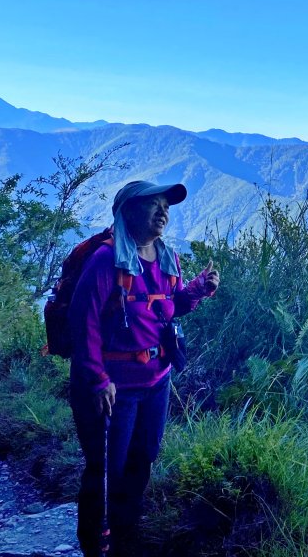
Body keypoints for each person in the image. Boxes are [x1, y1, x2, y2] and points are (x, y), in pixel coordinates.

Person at [68, 180, 220, 557]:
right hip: (112, 388)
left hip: (156, 382)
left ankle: (125, 539)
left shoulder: (167, 257)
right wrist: (98, 379)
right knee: (105, 471)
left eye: (165, 206)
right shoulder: (107, 260)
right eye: (153, 205)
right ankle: (94, 545)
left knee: (142, 462)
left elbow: (169, 308)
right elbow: (81, 321)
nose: (163, 212)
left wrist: (199, 289)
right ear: (128, 212)